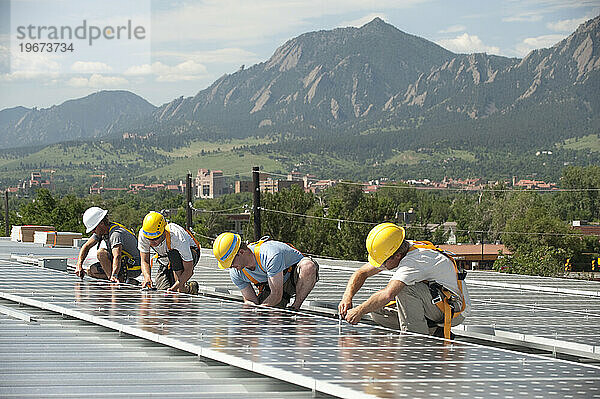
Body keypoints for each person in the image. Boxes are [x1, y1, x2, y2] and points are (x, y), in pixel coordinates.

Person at [338, 222, 470, 339]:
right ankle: (434, 332)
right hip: (434, 303)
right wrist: (347, 297)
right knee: (376, 310)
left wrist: (359, 311)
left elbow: (388, 294)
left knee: (404, 289)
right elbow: (362, 272)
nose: (381, 266)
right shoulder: (396, 247)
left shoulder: (414, 261)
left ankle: (414, 341)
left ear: (397, 256)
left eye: (383, 262)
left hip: (454, 308)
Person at [212, 233, 319, 310]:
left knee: (308, 267)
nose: (230, 267)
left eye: (231, 262)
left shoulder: (269, 255)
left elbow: (276, 295)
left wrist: (260, 311)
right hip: (271, 286)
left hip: (293, 277)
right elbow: (250, 300)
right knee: (271, 319)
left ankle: (295, 308)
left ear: (241, 252)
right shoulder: (236, 272)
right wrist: (252, 313)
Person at [75, 207, 142, 284]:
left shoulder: (115, 234)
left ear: (101, 224)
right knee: (91, 271)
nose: (93, 232)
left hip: (133, 267)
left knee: (101, 253)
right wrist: (79, 265)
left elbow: (117, 256)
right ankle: (124, 280)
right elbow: (86, 247)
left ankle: (114, 280)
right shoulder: (102, 231)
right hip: (122, 264)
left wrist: (114, 275)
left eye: (94, 229)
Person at [138, 211, 200, 294]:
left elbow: (189, 270)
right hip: (166, 259)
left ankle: (188, 288)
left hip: (190, 254)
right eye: (149, 239)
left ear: (163, 231)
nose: (152, 243)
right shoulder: (143, 234)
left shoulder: (177, 237)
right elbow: (144, 260)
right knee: (162, 291)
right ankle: (182, 286)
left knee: (179, 291)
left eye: (155, 239)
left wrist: (176, 286)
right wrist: (147, 277)